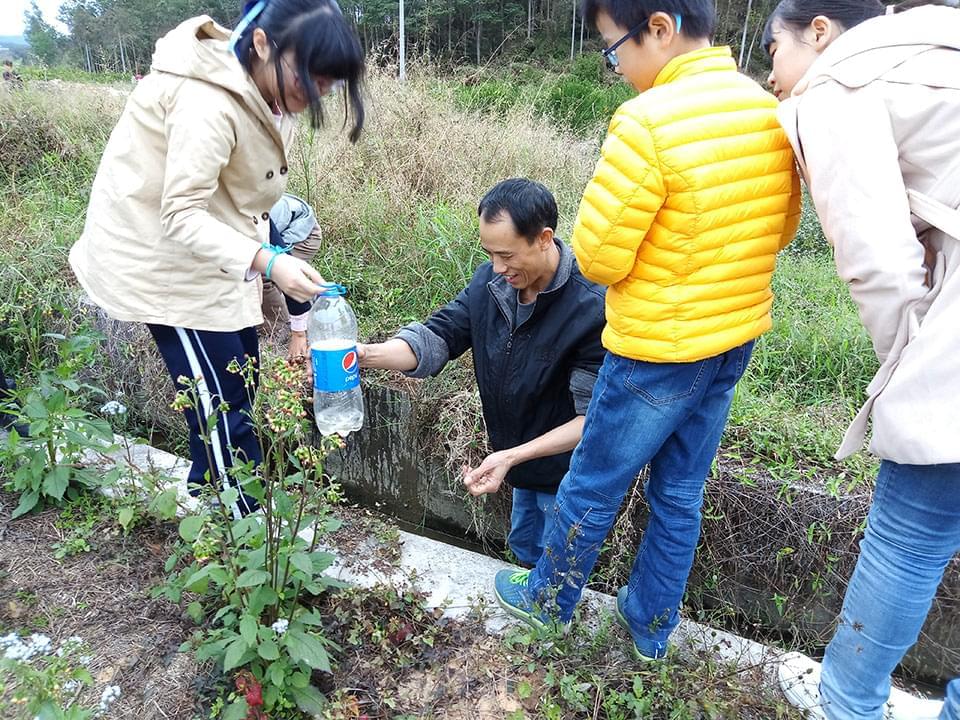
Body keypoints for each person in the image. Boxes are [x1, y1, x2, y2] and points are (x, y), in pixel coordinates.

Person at [493, 0, 801, 659]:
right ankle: (651, 626)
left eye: (613, 48)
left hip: (658, 349)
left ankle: (549, 602)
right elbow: (780, 231)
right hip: (731, 339)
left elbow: (599, 259)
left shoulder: (647, 121)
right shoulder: (766, 109)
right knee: (680, 494)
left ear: (659, 28)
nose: (616, 66)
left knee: (592, 483)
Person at [68, 0, 365, 518]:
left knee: (239, 376)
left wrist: (280, 277)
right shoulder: (208, 101)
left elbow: (250, 202)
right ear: (262, 44)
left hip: (216, 251)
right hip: (160, 258)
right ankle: (245, 529)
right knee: (221, 403)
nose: (316, 93)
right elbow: (179, 214)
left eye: (328, 83)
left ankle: (213, 493)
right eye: (309, 77)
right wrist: (269, 263)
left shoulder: (270, 92)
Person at [764, 1, 960, 717]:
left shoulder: (839, 81)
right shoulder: (937, 38)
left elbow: (877, 262)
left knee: (915, 524)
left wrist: (907, 373)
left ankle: (846, 702)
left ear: (818, 31)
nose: (773, 78)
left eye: (774, 53)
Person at [358, 179, 606, 568]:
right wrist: (366, 355)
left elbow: (590, 419)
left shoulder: (589, 306)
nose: (497, 267)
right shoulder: (491, 284)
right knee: (525, 552)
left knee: (559, 567)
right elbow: (438, 336)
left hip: (567, 476)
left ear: (544, 238)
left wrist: (512, 456)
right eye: (489, 253)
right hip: (519, 465)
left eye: (506, 254)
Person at [261, 192, 324, 361]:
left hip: (303, 232)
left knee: (265, 272)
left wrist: (299, 331)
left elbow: (285, 265)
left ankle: (281, 329)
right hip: (282, 223)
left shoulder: (248, 210)